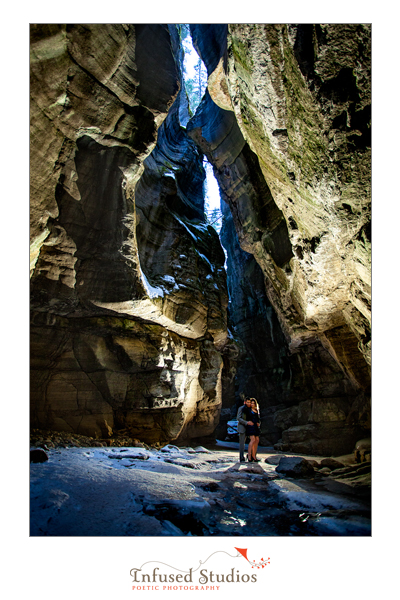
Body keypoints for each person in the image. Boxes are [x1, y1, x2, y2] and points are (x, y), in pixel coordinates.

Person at [236, 397, 252, 462]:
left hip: (251, 427)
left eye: (250, 402)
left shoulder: (252, 409)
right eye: (247, 402)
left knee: (253, 441)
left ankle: (251, 456)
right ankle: (241, 457)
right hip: (242, 427)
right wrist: (246, 422)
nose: (249, 403)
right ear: (245, 402)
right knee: (242, 443)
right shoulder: (241, 408)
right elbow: (238, 418)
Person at [247, 398, 261, 463]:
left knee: (257, 440)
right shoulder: (249, 410)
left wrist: (258, 423)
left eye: (253, 403)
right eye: (251, 403)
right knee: (252, 440)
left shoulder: (257, 410)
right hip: (250, 426)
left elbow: (258, 418)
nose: (252, 404)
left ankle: (254, 456)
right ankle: (249, 456)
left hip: (256, 426)